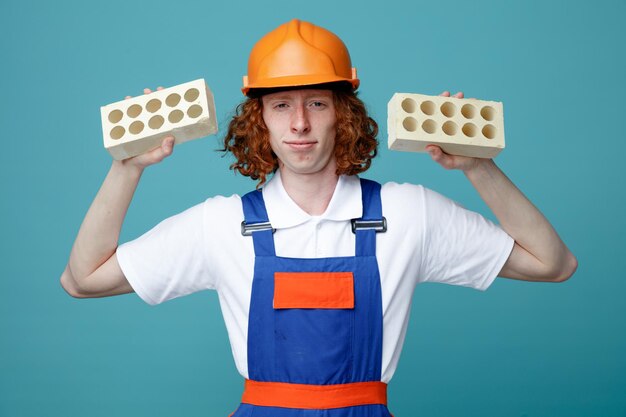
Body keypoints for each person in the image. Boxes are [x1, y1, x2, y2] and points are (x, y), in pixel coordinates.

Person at [60, 19, 577, 417]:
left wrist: (477, 166)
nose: (300, 123)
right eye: (281, 105)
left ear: (343, 113)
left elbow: (553, 263)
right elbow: (82, 279)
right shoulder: (220, 225)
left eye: (317, 103)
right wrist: (125, 167)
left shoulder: (406, 212)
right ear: (258, 119)